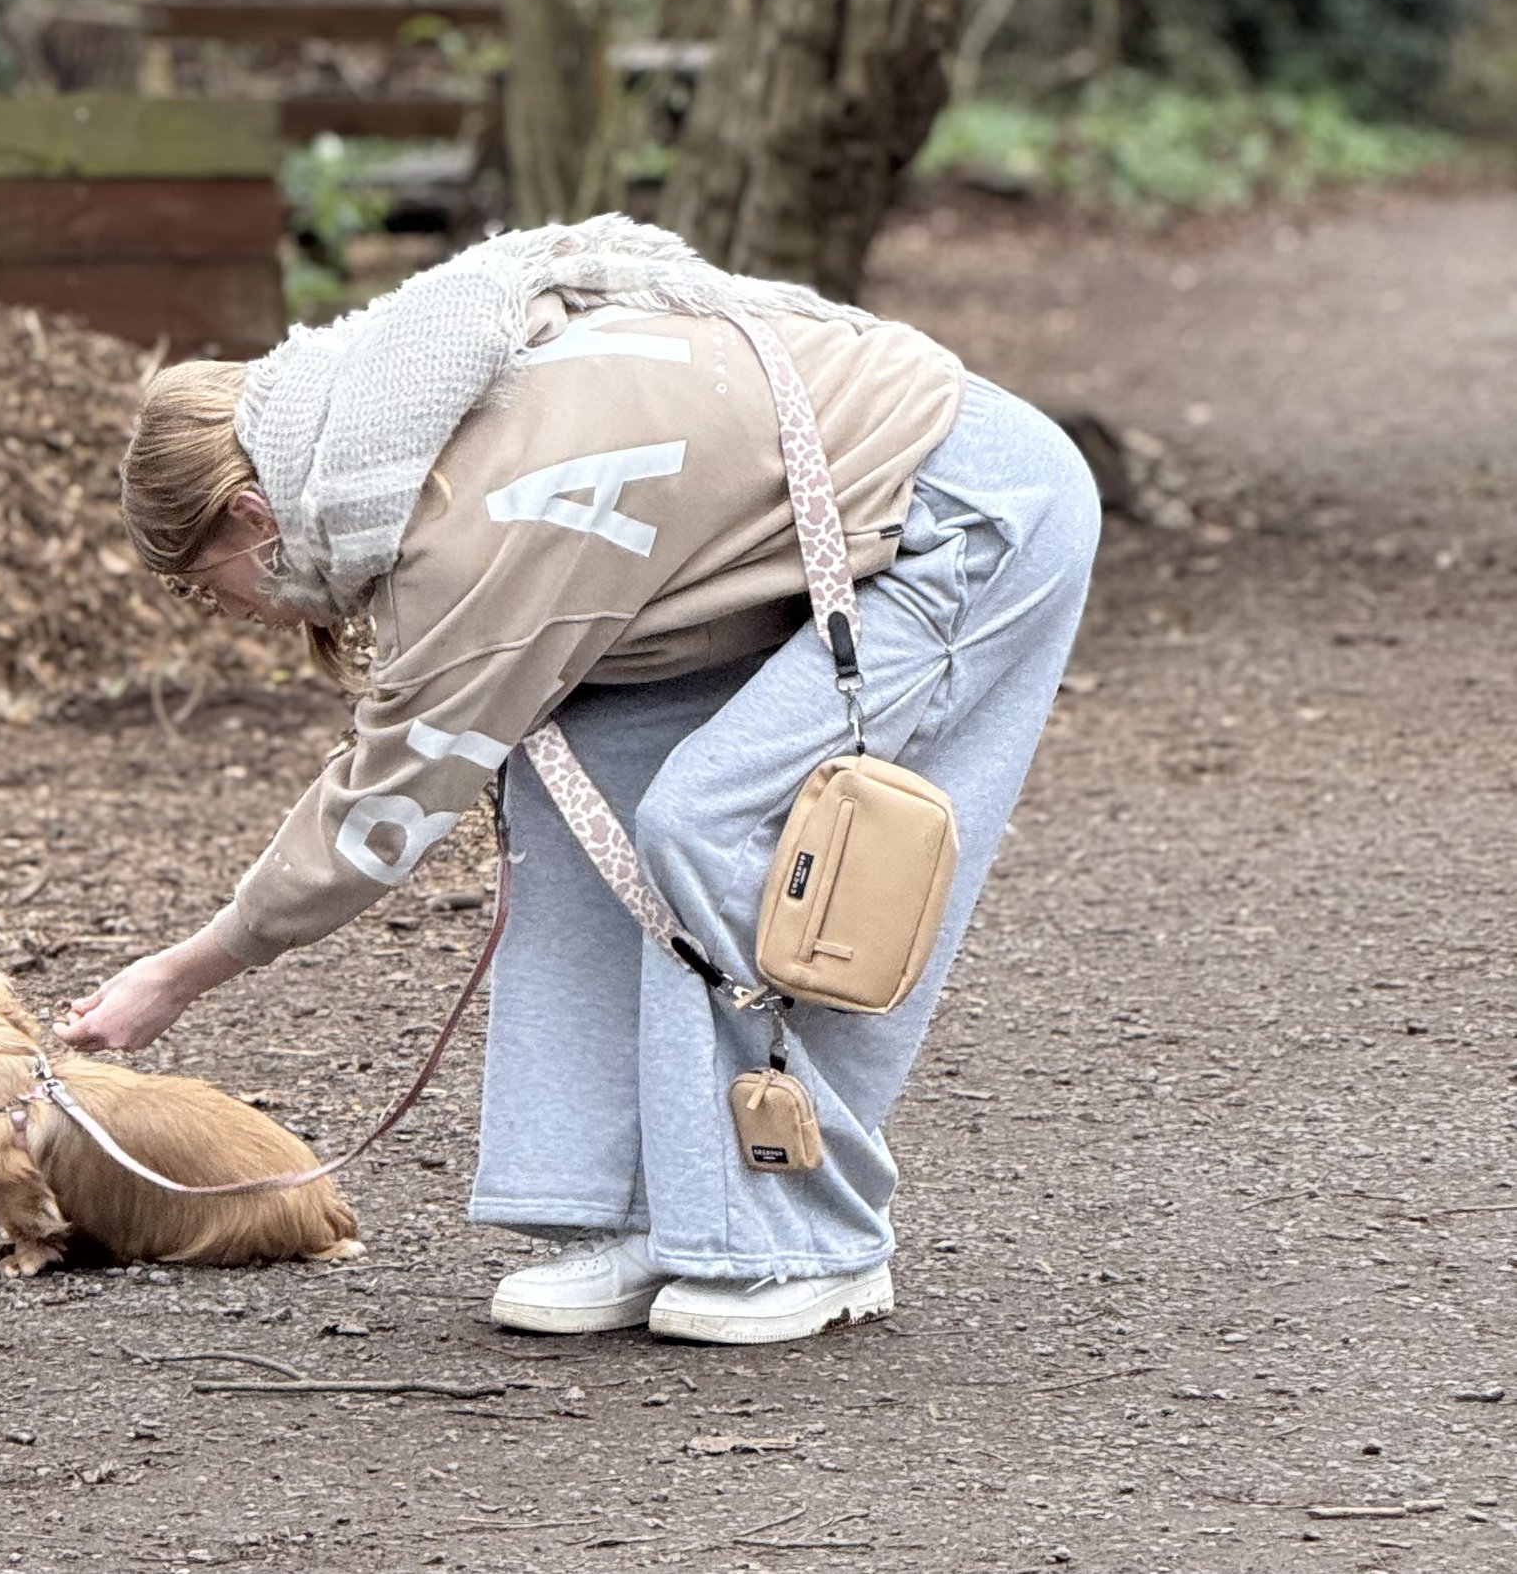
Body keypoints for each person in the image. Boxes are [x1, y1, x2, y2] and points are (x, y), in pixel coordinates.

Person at [55, 216, 1099, 1346]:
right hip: (791, 539)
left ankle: (812, 1232)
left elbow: (380, 814)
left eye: (208, 589)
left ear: (252, 519)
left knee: (714, 825)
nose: (234, 617)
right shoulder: (390, 422)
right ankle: (643, 1210)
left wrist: (180, 974)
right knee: (573, 801)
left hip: (963, 508)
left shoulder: (458, 521)